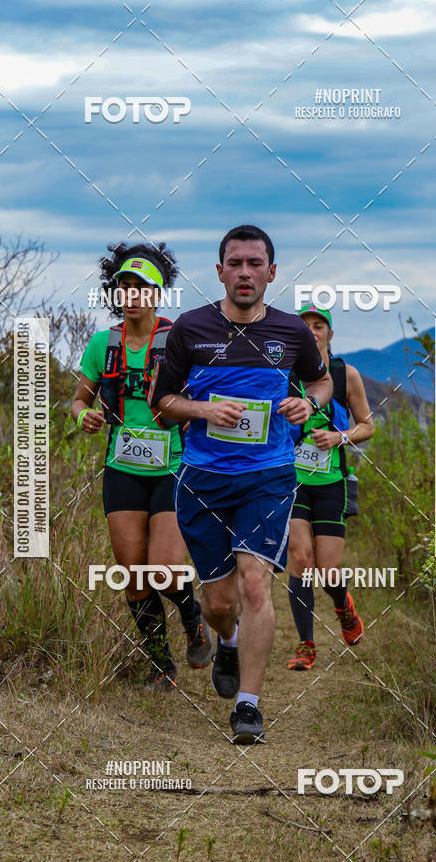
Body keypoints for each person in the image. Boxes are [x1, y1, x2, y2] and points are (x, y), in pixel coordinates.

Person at [152, 224, 333, 743]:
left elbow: (319, 380)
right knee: (219, 602)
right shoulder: (189, 329)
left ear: (272, 273)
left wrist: (311, 403)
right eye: (236, 263)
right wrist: (204, 408)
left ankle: (249, 707)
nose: (246, 272)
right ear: (220, 272)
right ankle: (224, 640)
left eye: (256, 263)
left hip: (269, 476)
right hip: (203, 479)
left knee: (255, 580)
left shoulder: (292, 332)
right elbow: (163, 404)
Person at [70, 241, 214, 691]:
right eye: (123, 287)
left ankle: (192, 617)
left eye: (141, 287)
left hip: (173, 466)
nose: (131, 295)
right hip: (123, 467)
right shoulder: (102, 344)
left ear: (158, 292)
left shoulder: (180, 339)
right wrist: (84, 417)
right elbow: (78, 399)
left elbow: (204, 399)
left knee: (166, 569)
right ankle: (161, 668)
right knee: (133, 576)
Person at [286, 304, 374, 671]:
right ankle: (306, 645)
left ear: (329, 334)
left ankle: (343, 607)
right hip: (291, 483)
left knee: (328, 570)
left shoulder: (345, 374)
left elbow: (367, 426)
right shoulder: (284, 375)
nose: (312, 331)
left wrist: (339, 437)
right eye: (305, 326)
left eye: (318, 325)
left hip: (331, 483)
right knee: (301, 560)